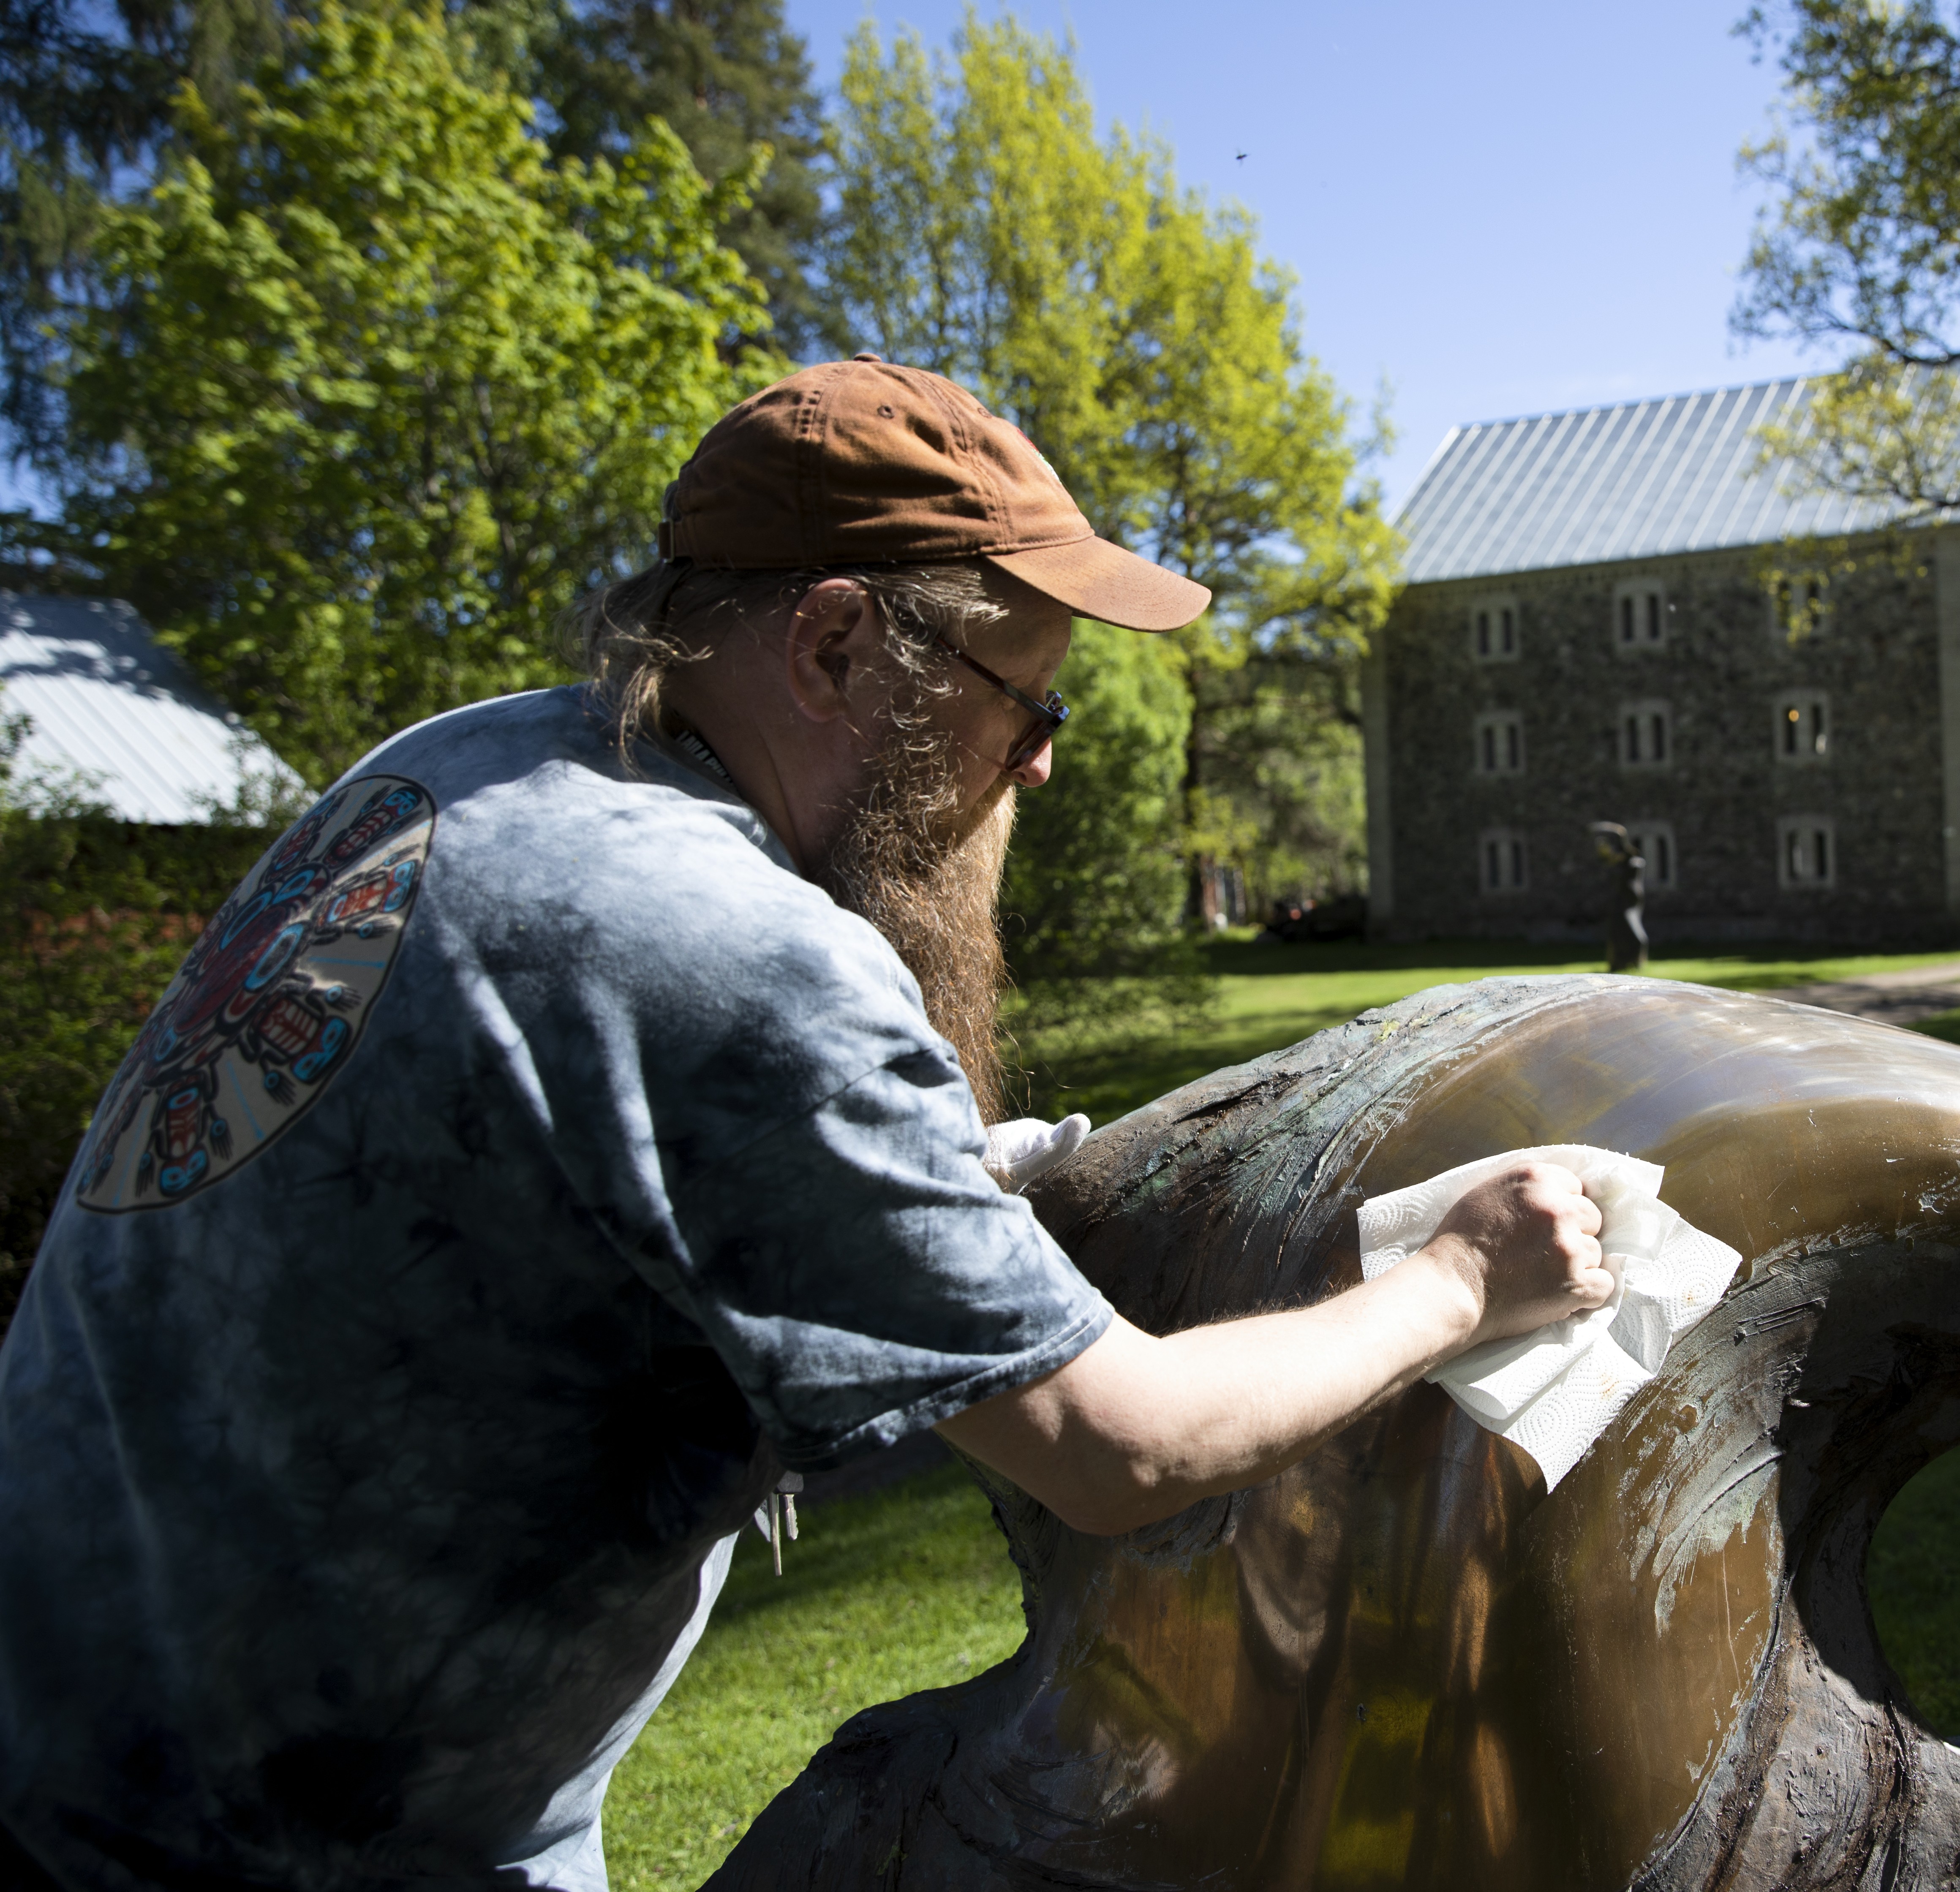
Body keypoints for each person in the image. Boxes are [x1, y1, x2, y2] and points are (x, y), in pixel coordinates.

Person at [0, 358, 1612, 1891]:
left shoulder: (450, 771)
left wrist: (952, 1174)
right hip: (284, 1852)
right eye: (1024, 701)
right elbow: (1121, 1449)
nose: (1040, 765)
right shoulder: (732, 954)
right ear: (836, 645)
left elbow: (590, 1156)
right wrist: (1460, 1279)